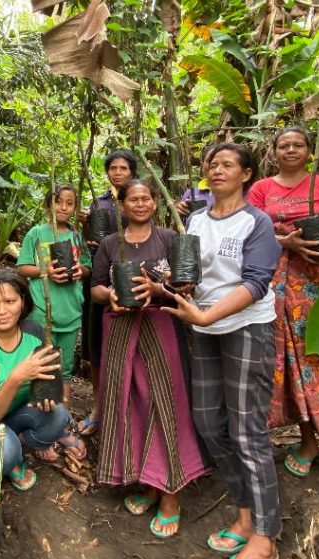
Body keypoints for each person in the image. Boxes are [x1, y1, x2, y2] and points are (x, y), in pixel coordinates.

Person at [164, 144, 283, 559]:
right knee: (209, 423)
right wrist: (181, 289)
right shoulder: (196, 220)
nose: (216, 170)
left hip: (246, 328)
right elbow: (192, 273)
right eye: (212, 164)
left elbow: (255, 283)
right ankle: (245, 514)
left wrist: (206, 314)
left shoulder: (258, 223)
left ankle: (266, 538)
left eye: (227, 164)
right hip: (204, 328)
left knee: (247, 430)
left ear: (246, 174)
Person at [90, 179, 207, 538]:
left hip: (161, 329)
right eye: (132, 199)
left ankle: (171, 493)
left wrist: (163, 289)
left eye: (146, 198)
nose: (140, 204)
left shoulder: (171, 238)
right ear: (122, 205)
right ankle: (147, 482)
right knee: (130, 405)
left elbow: (188, 284)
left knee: (165, 405)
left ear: (155, 203)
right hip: (121, 331)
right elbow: (94, 287)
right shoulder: (110, 243)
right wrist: (109, 294)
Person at [246, 127, 319, 489]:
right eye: (283, 145)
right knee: (292, 364)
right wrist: (287, 242)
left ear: (309, 151)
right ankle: (308, 442)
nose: (290, 150)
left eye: (297, 145)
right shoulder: (262, 189)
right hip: (277, 286)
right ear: (274, 151)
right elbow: (248, 231)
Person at [0, 269, 74, 498]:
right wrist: (16, 377)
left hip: (8, 415)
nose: (2, 311)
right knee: (6, 448)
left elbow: (46, 382)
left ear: (23, 301)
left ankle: (12, 453)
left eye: (10, 301)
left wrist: (48, 398)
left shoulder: (34, 332)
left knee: (59, 415)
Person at [16, 184, 90, 460]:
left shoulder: (76, 236)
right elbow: (22, 268)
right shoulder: (36, 233)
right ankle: (41, 428)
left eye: (69, 203)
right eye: (58, 202)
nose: (63, 207)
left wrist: (76, 271)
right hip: (41, 314)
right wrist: (44, 272)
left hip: (70, 312)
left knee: (66, 371)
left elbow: (86, 267)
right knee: (43, 371)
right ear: (49, 204)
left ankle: (62, 425)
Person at [76, 149, 137, 436]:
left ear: (132, 172)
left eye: (123, 167)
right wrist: (85, 223)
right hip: (100, 279)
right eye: (113, 167)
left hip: (132, 279)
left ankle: (130, 407)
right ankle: (99, 408)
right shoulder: (98, 202)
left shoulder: (137, 199)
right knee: (97, 344)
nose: (117, 172)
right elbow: (91, 241)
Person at [176, 145, 216, 218]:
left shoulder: (235, 193)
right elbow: (179, 227)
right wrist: (179, 214)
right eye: (209, 161)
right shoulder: (190, 193)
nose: (213, 165)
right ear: (202, 166)